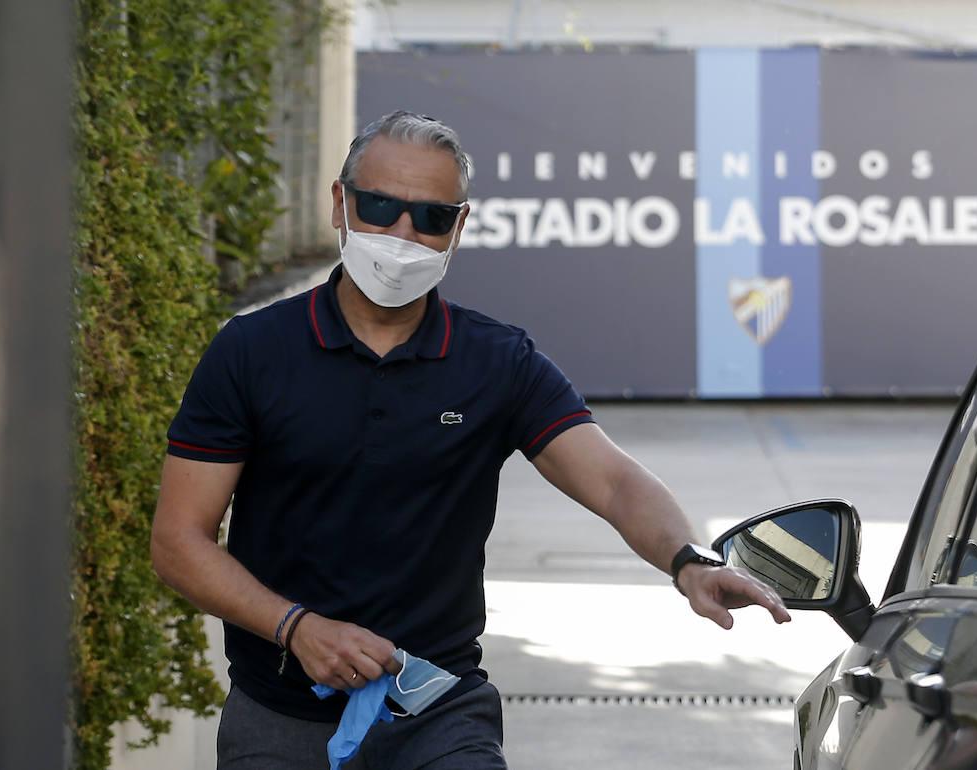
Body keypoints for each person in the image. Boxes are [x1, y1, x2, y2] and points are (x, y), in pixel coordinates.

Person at [151, 110, 791, 770]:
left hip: (436, 710)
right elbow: (178, 541)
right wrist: (297, 629)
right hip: (279, 716)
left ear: (458, 227)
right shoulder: (251, 353)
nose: (402, 235)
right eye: (379, 207)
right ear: (341, 203)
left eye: (430, 218)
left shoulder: (496, 361)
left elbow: (613, 479)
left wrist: (689, 560)